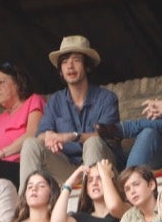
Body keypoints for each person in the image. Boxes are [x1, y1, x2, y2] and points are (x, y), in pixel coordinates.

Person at [20, 35, 122, 187]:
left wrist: (72, 136)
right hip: (67, 168)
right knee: (30, 144)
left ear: (87, 66)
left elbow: (108, 136)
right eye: (65, 62)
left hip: (102, 166)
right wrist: (49, 137)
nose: (70, 66)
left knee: (93, 142)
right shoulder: (55, 100)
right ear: (60, 71)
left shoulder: (107, 98)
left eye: (76, 60)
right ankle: (25, 207)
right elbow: (40, 135)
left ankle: (90, 204)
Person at [0, 63, 44, 184]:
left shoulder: (34, 100)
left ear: (18, 84)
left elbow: (33, 134)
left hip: (24, 168)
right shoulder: (1, 119)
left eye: (1, 82)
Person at [51, 162, 123, 222]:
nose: (94, 183)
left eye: (100, 178)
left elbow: (114, 206)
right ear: (86, 188)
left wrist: (105, 175)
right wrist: (69, 184)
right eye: (90, 180)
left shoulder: (124, 208)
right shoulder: (83, 219)